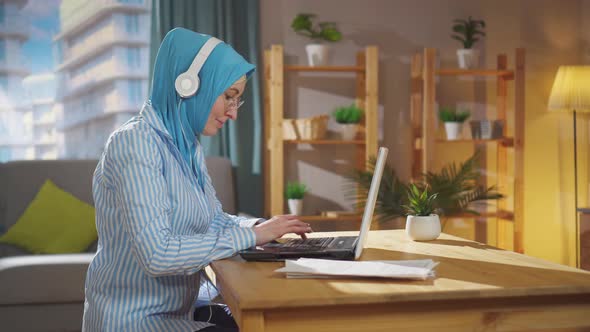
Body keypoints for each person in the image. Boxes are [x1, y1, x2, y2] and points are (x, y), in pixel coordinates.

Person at [82, 28, 312, 332]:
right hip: (134, 321)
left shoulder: (186, 147)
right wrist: (252, 238)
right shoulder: (135, 143)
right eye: (229, 96)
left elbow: (212, 220)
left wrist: (259, 227)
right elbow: (157, 255)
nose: (233, 113)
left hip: (178, 312)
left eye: (238, 101)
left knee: (272, 323)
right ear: (188, 86)